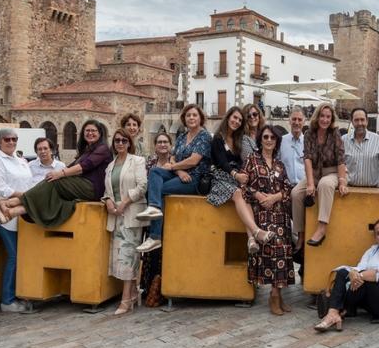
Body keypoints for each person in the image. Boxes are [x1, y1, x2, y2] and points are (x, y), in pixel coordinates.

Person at [0, 120, 112, 228]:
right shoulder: (86, 150)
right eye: (87, 130)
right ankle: (11, 213)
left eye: (93, 131)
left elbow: (85, 166)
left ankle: (10, 203)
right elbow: (72, 166)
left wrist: (61, 173)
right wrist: (56, 174)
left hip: (92, 188)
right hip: (82, 186)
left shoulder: (103, 148)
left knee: (55, 181)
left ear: (100, 133)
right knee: (51, 189)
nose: (90, 133)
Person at [135, 104, 213, 252]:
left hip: (195, 179)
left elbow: (193, 160)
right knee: (154, 172)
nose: (191, 118)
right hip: (181, 175)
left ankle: (155, 236)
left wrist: (175, 167)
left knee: (159, 190)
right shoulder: (183, 136)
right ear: (184, 118)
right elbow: (172, 158)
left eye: (194, 115)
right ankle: (154, 210)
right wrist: (179, 171)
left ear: (200, 118)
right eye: (188, 115)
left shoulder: (204, 136)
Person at [313, 218, 379, 331]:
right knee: (342, 272)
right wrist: (353, 273)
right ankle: (333, 312)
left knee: (366, 281)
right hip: (371, 300)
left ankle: (338, 307)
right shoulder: (373, 251)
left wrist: (358, 275)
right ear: (375, 237)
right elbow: (360, 268)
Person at [203, 107, 276, 253]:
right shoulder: (218, 138)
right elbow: (222, 162)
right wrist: (236, 175)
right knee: (238, 193)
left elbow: (241, 161)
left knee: (245, 194)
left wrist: (243, 176)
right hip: (219, 178)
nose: (236, 121)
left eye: (239, 120)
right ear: (228, 117)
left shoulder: (238, 140)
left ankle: (251, 239)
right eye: (234, 117)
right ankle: (256, 231)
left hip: (235, 178)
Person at [0, 128, 36, 314]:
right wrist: (25, 196)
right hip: (2, 215)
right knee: (14, 255)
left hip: (20, 214)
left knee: (21, 256)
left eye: (14, 139)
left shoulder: (21, 161)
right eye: (7, 139)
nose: (11, 142)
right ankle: (7, 299)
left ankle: (19, 293)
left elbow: (29, 182)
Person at [244, 126, 294, 315]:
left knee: (283, 252)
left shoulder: (280, 164)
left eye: (272, 137)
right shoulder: (252, 160)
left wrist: (275, 197)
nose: (269, 140)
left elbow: (288, 188)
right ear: (260, 140)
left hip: (280, 213)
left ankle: (277, 293)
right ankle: (273, 296)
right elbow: (244, 185)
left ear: (276, 141)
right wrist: (258, 195)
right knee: (273, 250)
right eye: (265, 137)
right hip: (261, 215)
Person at [291, 103, 349, 249]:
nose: (325, 119)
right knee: (296, 193)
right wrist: (310, 183)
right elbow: (307, 158)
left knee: (325, 184)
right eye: (322, 116)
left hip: (332, 171)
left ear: (332, 118)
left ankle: (322, 227)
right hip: (315, 173)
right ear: (317, 116)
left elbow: (341, 158)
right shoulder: (309, 133)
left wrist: (342, 182)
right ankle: (301, 234)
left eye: (328, 116)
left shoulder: (335, 133)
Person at [102, 129, 148, 315]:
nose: (119, 143)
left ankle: (126, 300)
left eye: (123, 140)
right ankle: (134, 293)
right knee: (119, 258)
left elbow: (142, 186)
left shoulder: (137, 161)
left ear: (129, 143)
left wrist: (125, 203)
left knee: (128, 257)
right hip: (116, 216)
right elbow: (107, 191)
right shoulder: (110, 166)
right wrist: (107, 202)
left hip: (131, 215)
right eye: (117, 141)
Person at [343, 107, 379, 188]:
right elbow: (337, 164)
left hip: (373, 192)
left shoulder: (377, 140)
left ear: (367, 121)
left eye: (362, 119)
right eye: (356, 120)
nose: (360, 123)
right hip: (349, 191)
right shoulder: (343, 140)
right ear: (352, 122)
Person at [279, 106, 307, 187]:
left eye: (300, 119)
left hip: (303, 188)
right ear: (289, 121)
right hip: (285, 187)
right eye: (294, 119)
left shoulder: (308, 142)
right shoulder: (281, 141)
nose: (297, 122)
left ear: (304, 122)